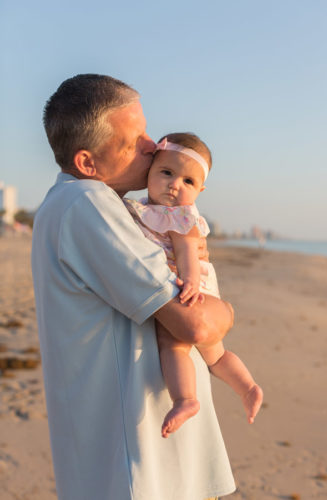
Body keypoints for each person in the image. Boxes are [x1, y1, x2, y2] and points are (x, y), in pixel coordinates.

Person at [31, 74, 236, 500]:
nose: (152, 144)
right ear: (88, 163)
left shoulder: (112, 207)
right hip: (138, 466)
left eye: (147, 130)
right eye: (134, 139)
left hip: (143, 455)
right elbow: (195, 323)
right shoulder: (86, 203)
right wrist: (228, 314)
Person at [124, 133, 263, 439]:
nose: (175, 185)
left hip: (191, 284)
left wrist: (189, 283)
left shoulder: (180, 215)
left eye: (188, 182)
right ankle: (247, 387)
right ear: (150, 170)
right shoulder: (148, 210)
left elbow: (187, 250)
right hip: (193, 283)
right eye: (167, 173)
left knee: (172, 344)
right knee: (215, 355)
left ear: (200, 190)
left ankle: (185, 399)